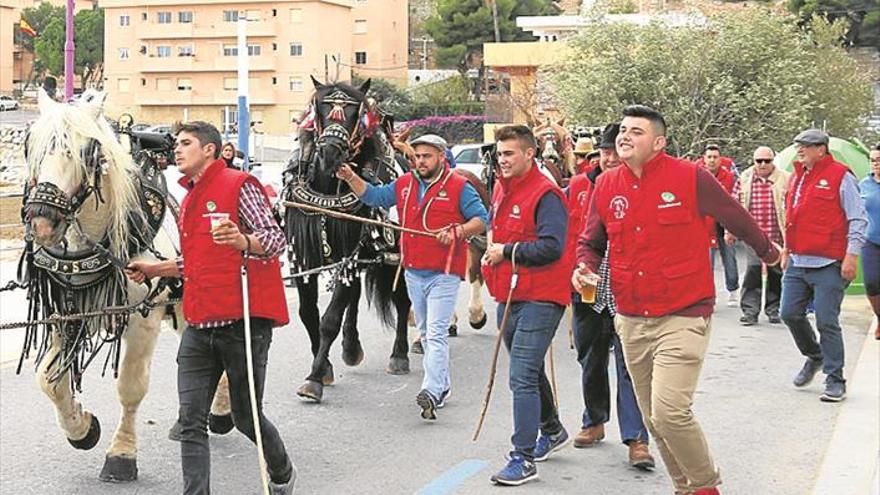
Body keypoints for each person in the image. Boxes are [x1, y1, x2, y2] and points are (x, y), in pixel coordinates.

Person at [574, 105, 781, 495]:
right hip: (631, 316)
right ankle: (685, 487)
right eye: (623, 131)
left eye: (636, 132)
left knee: (670, 413)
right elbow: (591, 241)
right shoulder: (606, 184)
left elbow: (735, 216)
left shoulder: (690, 177)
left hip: (683, 313)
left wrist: (769, 253)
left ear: (659, 142)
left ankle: (705, 487)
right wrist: (583, 265)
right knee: (654, 419)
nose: (624, 137)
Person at [125, 121, 296, 495]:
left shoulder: (240, 184)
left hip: (243, 323)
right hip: (199, 324)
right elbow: (196, 262)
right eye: (177, 143)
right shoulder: (187, 200)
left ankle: (282, 470)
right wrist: (155, 269)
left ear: (209, 150)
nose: (177, 149)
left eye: (186, 143)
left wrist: (242, 239)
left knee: (245, 416)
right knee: (190, 420)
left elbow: (275, 238)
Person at [335, 134, 487, 421]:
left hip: (444, 273)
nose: (420, 162)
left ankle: (431, 390)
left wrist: (458, 232)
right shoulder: (405, 184)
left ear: (441, 156)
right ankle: (442, 386)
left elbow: (481, 219)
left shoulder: (459, 186)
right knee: (429, 334)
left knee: (437, 333)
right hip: (413, 272)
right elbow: (374, 196)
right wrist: (350, 177)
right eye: (417, 157)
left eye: (426, 156)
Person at [481, 125, 570, 486]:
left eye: (509, 154)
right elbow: (498, 232)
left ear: (529, 154)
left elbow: (553, 246)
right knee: (530, 371)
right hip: (509, 295)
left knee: (520, 375)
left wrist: (506, 251)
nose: (501, 160)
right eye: (499, 154)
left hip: (542, 295)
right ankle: (552, 429)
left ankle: (523, 457)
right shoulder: (501, 187)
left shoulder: (546, 194)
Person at [565, 123, 654, 469]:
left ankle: (637, 439)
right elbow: (571, 237)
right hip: (588, 288)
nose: (610, 158)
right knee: (590, 359)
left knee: (630, 365)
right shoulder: (576, 187)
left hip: (630, 291)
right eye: (604, 152)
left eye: (616, 152)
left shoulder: (642, 188)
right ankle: (594, 421)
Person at [780, 129, 867, 402]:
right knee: (789, 313)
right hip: (798, 260)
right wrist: (786, 250)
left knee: (827, 321)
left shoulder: (842, 176)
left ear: (822, 149)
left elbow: (857, 219)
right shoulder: (797, 176)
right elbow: (792, 218)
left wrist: (851, 256)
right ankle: (815, 356)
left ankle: (835, 379)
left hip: (829, 262)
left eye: (805, 146)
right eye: (798, 146)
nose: (800, 150)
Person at [725, 147, 790, 325]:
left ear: (773, 161)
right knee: (753, 269)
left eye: (766, 161)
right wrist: (729, 230)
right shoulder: (745, 178)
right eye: (758, 161)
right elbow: (733, 207)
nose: (762, 164)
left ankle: (773, 309)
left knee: (775, 272)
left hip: (777, 234)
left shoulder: (785, 179)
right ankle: (750, 310)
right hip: (753, 234)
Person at [701, 144, 740, 307]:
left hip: (724, 223)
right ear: (704, 159)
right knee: (705, 262)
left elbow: (735, 200)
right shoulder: (697, 174)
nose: (712, 160)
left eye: (715, 157)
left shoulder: (729, 177)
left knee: (729, 258)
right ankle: (708, 294)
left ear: (720, 159)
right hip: (704, 224)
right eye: (709, 157)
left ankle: (732, 290)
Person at [862, 144, 880, 339]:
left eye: (879, 160)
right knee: (872, 283)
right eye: (873, 160)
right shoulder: (864, 184)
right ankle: (879, 317)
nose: (876, 164)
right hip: (871, 241)